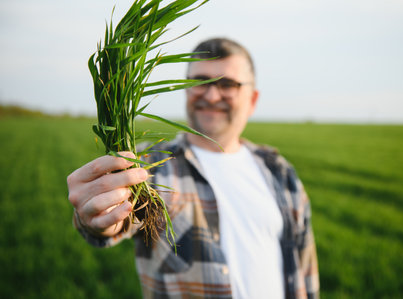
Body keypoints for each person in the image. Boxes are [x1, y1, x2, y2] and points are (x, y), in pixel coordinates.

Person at [67, 38, 319, 299]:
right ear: (186, 90)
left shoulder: (279, 171)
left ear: (252, 99)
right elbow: (114, 222)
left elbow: (305, 268)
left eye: (227, 84)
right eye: (199, 82)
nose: (211, 95)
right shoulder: (150, 164)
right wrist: (98, 217)